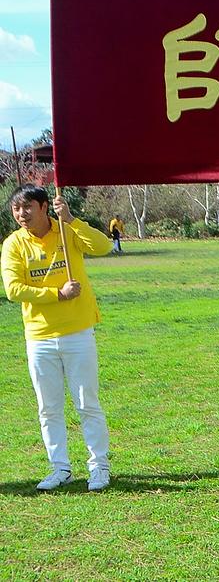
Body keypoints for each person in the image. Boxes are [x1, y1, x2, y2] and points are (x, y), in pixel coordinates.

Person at [1, 184, 113, 491]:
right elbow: (14, 289)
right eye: (16, 209)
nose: (21, 214)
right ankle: (60, 468)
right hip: (38, 336)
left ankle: (99, 467)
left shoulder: (68, 231)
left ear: (44, 207)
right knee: (48, 407)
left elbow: (103, 246)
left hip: (77, 331)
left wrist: (72, 220)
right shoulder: (13, 244)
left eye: (27, 208)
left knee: (86, 403)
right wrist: (57, 294)